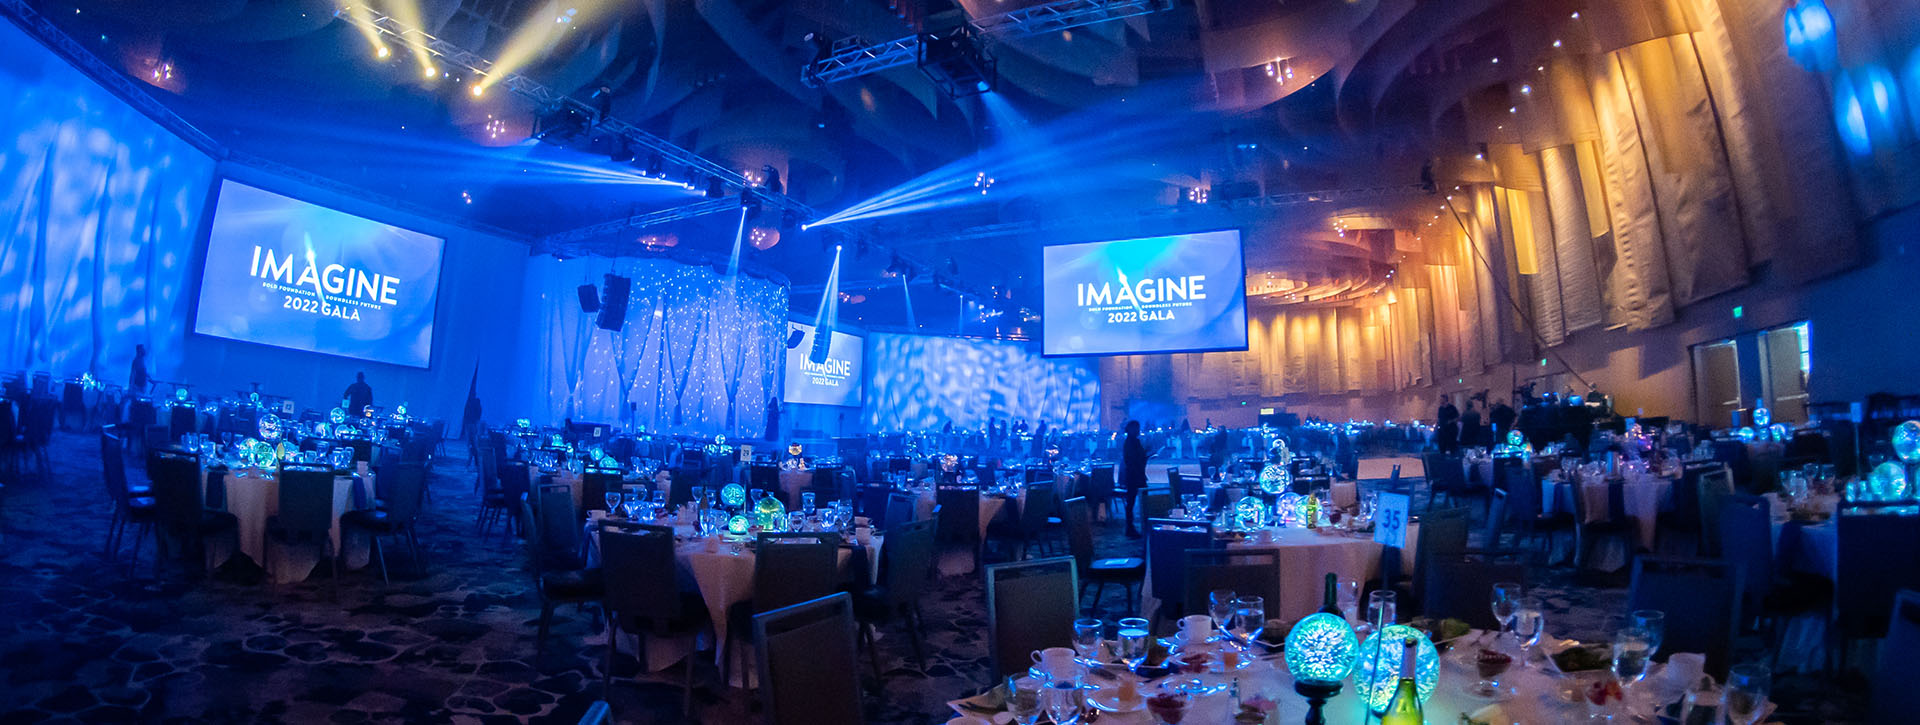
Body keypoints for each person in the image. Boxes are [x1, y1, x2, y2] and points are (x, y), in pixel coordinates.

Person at [1122, 420, 1150, 538]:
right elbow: (1133, 460)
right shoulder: (1131, 443)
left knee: (1133, 502)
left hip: (1135, 475)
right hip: (1135, 476)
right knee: (1133, 502)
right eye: (1137, 428)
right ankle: (1132, 527)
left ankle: (1136, 526)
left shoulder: (1132, 442)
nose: (1139, 430)